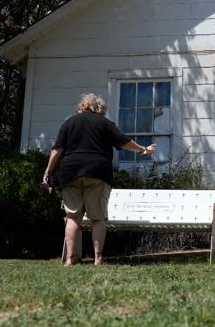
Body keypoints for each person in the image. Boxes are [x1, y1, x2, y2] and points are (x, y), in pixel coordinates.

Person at [42, 93, 155, 266]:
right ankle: (98, 258)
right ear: (100, 108)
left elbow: (57, 149)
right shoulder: (105, 124)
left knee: (72, 217)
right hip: (97, 172)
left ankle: (70, 259)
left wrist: (47, 172)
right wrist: (144, 150)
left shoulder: (69, 122)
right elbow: (124, 142)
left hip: (70, 172)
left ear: (82, 106)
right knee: (97, 218)